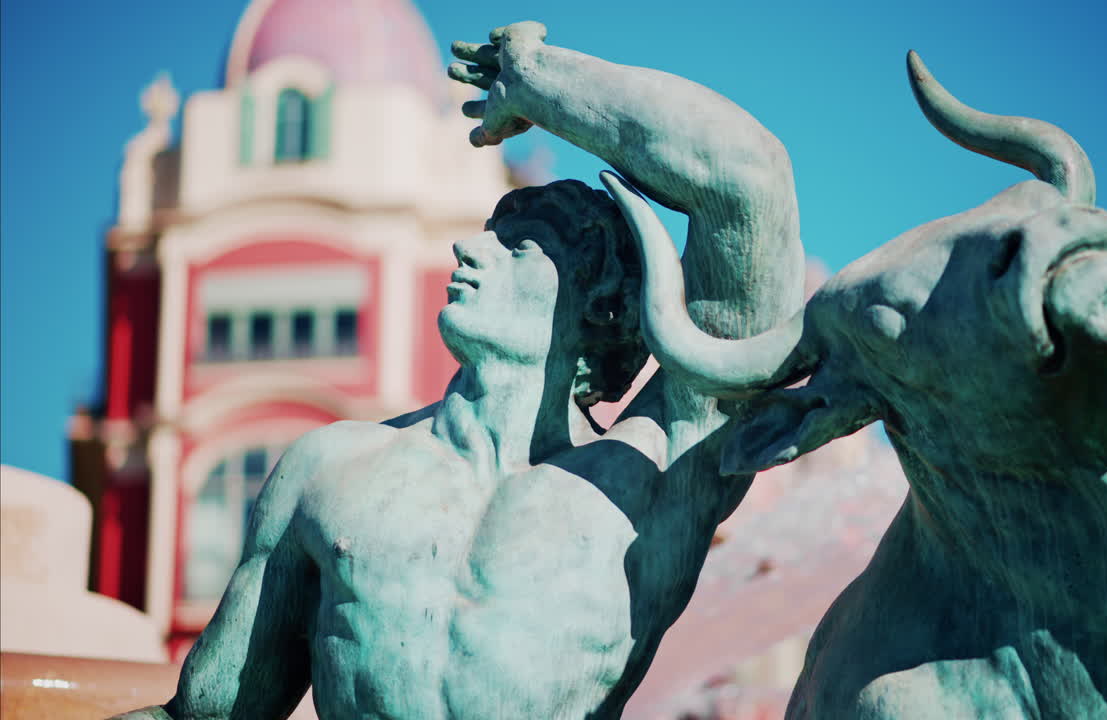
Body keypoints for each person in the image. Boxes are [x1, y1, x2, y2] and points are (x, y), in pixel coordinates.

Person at [116, 21, 804, 719]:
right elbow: (205, 714)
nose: (469, 252)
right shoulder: (329, 470)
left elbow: (748, 185)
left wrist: (542, 85)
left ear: (595, 306)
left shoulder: (649, 481)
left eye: (520, 248)